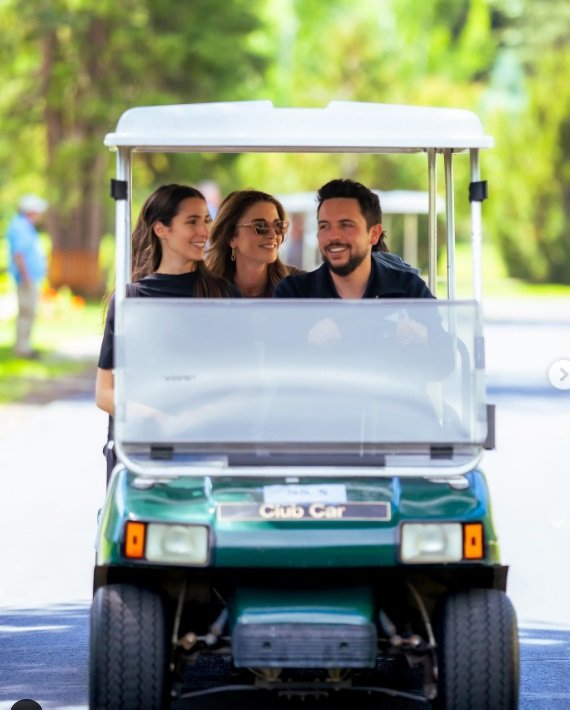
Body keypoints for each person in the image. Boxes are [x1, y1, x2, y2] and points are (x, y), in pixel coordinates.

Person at [95, 183, 239, 480]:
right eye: (192, 222)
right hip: (144, 456)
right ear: (161, 229)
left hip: (209, 450)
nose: (204, 231)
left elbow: (241, 380)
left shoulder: (223, 295)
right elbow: (105, 392)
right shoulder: (130, 300)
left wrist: (195, 418)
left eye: (206, 221)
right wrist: (158, 418)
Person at [274, 178, 432, 301]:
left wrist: (419, 334)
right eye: (324, 226)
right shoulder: (294, 294)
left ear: (374, 234)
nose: (333, 236)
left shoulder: (410, 290)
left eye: (346, 225)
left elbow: (440, 334)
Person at [207, 189, 300, 297]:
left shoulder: (300, 286)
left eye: (278, 226)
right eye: (260, 226)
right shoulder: (203, 291)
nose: (273, 235)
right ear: (231, 237)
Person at [6, 194, 49, 358]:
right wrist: (26, 277)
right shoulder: (21, 226)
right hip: (26, 278)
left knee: (28, 312)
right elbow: (19, 254)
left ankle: (25, 346)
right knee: (26, 311)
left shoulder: (24, 225)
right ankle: (23, 349)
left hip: (29, 277)